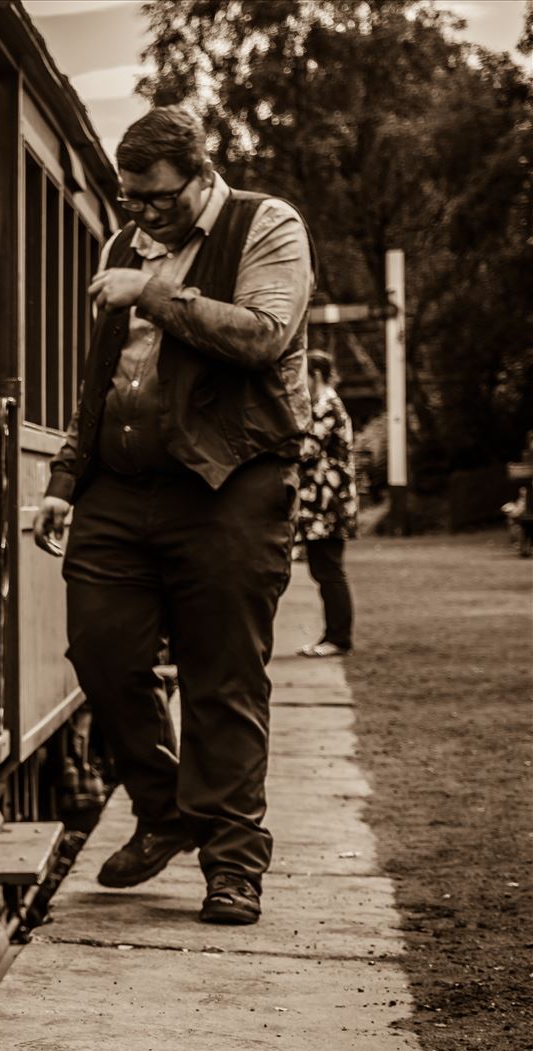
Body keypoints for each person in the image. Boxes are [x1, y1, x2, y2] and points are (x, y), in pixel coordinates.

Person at [32, 107, 312, 927]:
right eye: (130, 198)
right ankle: (165, 811)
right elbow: (102, 375)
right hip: (122, 488)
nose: (141, 214)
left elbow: (263, 336)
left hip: (233, 484)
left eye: (155, 198)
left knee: (221, 675)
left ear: (200, 175)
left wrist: (152, 293)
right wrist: (64, 475)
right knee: (101, 651)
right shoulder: (125, 246)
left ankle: (233, 864)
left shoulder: (266, 225)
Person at [295, 351, 356, 655]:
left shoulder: (325, 406)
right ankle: (333, 636)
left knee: (329, 570)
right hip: (325, 504)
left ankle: (338, 638)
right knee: (325, 570)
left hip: (327, 506)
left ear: (315, 374)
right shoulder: (326, 404)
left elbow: (305, 450)